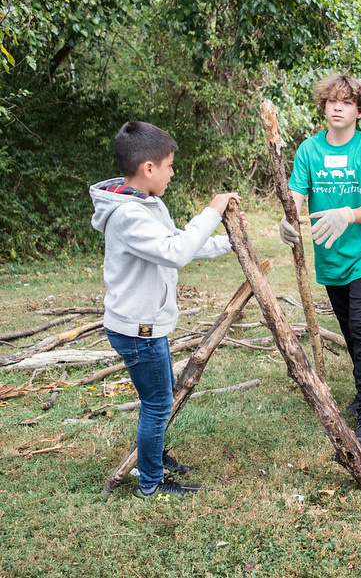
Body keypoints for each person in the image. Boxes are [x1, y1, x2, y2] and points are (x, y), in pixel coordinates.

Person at [90, 121, 244, 499]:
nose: (172, 173)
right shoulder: (128, 215)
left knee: (157, 399)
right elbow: (176, 254)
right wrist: (211, 210)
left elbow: (178, 242)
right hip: (138, 329)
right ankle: (150, 482)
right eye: (170, 166)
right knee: (158, 403)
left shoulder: (145, 202)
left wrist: (229, 242)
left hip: (144, 324)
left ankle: (152, 456)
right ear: (148, 169)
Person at [278, 74, 361, 445]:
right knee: (348, 331)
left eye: (346, 102)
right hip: (329, 256)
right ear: (324, 107)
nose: (338, 107)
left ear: (359, 110)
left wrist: (346, 214)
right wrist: (286, 219)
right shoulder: (309, 152)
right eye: (332, 101)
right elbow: (295, 197)